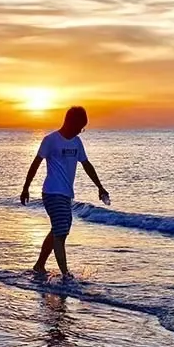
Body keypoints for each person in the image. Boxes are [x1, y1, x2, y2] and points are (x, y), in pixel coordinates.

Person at [20, 106, 108, 279]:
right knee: (61, 232)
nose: (80, 131)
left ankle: (39, 265)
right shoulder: (51, 140)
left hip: (66, 194)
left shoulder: (76, 142)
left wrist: (100, 186)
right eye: (79, 127)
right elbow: (36, 163)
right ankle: (66, 275)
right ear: (70, 122)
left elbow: (86, 164)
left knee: (59, 230)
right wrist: (26, 187)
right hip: (52, 192)